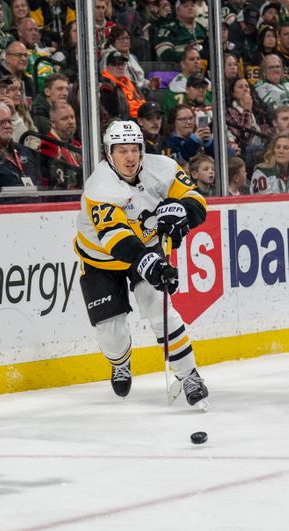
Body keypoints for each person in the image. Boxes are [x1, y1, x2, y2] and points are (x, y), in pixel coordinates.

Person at [73, 120, 209, 406]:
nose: (130, 157)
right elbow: (116, 238)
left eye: (135, 149)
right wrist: (150, 263)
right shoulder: (99, 188)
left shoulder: (163, 168)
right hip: (101, 259)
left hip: (145, 246)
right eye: (122, 151)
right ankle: (120, 362)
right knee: (111, 332)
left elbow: (196, 200)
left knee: (160, 310)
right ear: (108, 153)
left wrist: (182, 212)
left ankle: (189, 376)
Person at [39, 101, 83, 189]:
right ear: (53, 123)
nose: (71, 122)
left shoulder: (76, 144)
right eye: (64, 118)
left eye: (72, 117)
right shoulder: (47, 146)